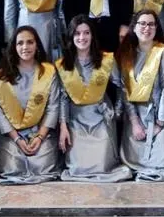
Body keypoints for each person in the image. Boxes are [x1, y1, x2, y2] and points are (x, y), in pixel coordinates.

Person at [56, 16, 132, 182]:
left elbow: (122, 86)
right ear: (71, 36)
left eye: (86, 33)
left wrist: (117, 112)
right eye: (77, 33)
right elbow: (62, 98)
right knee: (78, 168)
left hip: (101, 117)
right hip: (76, 120)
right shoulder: (63, 65)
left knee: (103, 166)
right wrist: (63, 126)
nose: (82, 38)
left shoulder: (106, 59)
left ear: (92, 35)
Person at [117, 10, 164, 181]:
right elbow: (125, 89)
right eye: (143, 24)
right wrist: (134, 122)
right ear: (135, 27)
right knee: (132, 161)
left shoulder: (163, 52)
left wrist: (160, 123)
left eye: (151, 24)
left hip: (163, 115)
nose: (147, 28)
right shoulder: (126, 53)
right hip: (137, 115)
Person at [0, 26, 62, 184]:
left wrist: (40, 137)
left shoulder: (48, 72)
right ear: (13, 47)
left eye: (30, 42)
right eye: (20, 43)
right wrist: (17, 139)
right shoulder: (1, 76)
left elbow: (53, 108)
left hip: (41, 131)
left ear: (37, 45)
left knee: (43, 167)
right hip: (12, 134)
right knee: (12, 168)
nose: (25, 47)